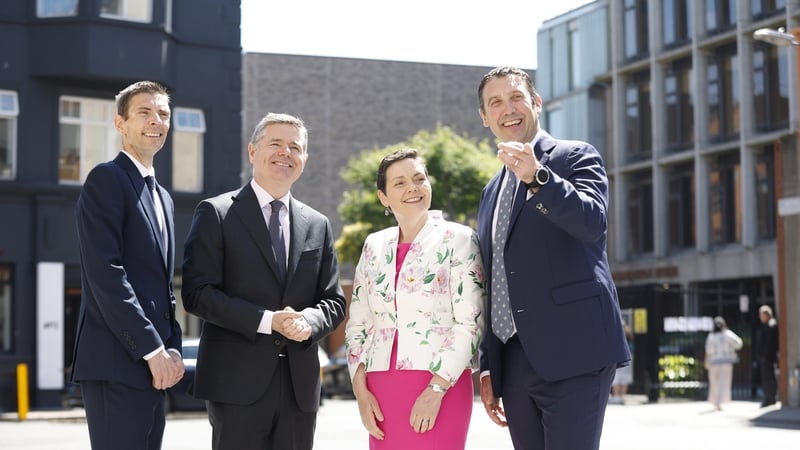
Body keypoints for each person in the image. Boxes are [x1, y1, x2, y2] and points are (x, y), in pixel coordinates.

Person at [475, 66, 631, 450]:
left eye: (516, 98)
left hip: (574, 352)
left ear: (536, 104)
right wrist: (488, 364)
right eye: (495, 103)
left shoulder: (575, 156)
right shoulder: (490, 191)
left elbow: (592, 223)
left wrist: (537, 177)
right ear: (484, 118)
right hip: (512, 362)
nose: (507, 109)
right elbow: (492, 279)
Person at [181, 112, 347, 450]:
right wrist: (269, 321)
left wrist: (308, 321)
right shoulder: (216, 213)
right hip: (236, 385)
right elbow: (198, 293)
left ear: (304, 159)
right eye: (276, 144)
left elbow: (334, 301)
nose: (286, 153)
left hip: (299, 388)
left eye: (295, 147)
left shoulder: (318, 224)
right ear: (253, 151)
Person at [344, 148, 486, 450]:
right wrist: (360, 391)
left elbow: (470, 323)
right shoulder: (373, 245)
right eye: (399, 183)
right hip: (380, 389)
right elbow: (357, 325)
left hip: (440, 385)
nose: (413, 188)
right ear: (383, 197)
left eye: (419, 178)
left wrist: (436, 389)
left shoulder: (459, 239)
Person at [71, 80, 185, 450]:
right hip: (116, 362)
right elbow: (107, 274)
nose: (157, 121)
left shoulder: (163, 198)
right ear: (120, 124)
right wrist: (153, 349)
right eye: (145, 112)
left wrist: (172, 348)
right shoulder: (107, 179)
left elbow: (161, 286)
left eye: (164, 114)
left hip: (154, 369)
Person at [704, 316, 743, 411]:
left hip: (713, 362)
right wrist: (730, 349)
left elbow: (707, 351)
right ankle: (720, 402)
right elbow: (739, 343)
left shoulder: (711, 336)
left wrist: (706, 362)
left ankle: (716, 402)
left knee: (714, 383)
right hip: (726, 362)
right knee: (724, 383)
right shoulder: (727, 334)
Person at [756, 305, 779, 407]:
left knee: (768, 378)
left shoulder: (770, 325)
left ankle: (770, 398)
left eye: (761, 315)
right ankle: (771, 398)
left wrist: (764, 355)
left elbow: (769, 343)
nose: (760, 317)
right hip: (767, 356)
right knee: (769, 378)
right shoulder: (769, 324)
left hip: (768, 356)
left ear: (766, 315)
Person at [610, 321, 634, 405]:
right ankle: (621, 396)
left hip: (619, 357)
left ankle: (617, 396)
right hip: (628, 358)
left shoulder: (617, 334)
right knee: (624, 379)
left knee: (617, 377)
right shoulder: (629, 335)